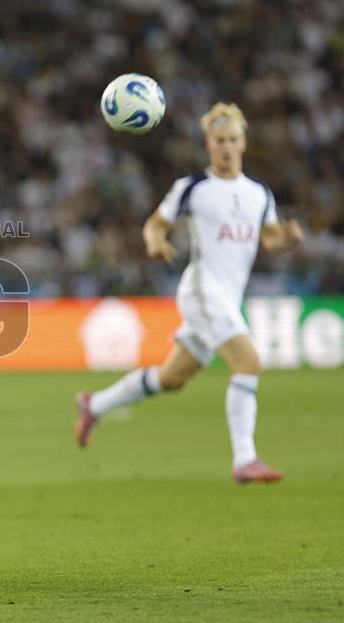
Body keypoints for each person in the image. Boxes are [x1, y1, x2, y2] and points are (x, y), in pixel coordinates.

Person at [74, 103, 304, 483]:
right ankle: (245, 459)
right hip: (202, 289)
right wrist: (155, 241)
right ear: (208, 144)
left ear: (243, 143)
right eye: (220, 141)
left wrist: (290, 240)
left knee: (171, 378)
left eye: (233, 140)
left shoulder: (258, 194)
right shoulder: (193, 188)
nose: (227, 147)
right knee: (248, 363)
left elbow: (271, 241)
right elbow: (155, 224)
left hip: (228, 297)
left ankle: (94, 404)